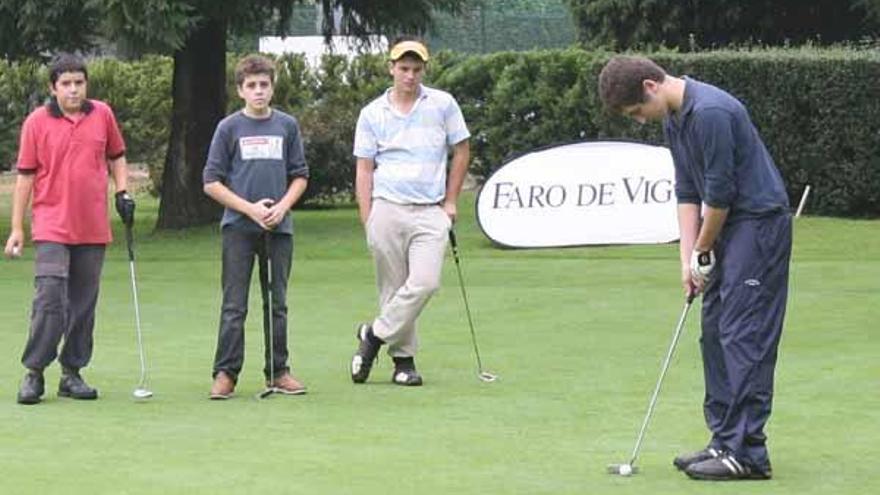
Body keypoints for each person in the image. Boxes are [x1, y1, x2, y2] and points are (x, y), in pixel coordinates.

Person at [598, 55, 792, 480]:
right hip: (727, 227)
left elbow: (719, 197)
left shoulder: (711, 113)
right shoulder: (674, 118)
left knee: (744, 334)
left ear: (651, 85)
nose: (639, 120)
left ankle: (749, 453)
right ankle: (724, 439)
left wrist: (704, 250)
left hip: (757, 225)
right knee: (714, 333)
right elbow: (688, 191)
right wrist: (688, 259)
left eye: (636, 111)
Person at [4, 53, 135, 405]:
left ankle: (72, 373)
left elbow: (117, 155)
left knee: (83, 304)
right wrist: (17, 228)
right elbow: (25, 177)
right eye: (66, 84)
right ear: (53, 87)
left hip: (93, 226)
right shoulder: (37, 122)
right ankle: (34, 371)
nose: (73, 90)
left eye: (79, 83)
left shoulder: (102, 114)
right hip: (51, 224)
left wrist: (122, 190)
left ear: (86, 84)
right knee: (50, 299)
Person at [350, 37, 471, 386]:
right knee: (393, 287)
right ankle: (403, 363)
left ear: (424, 70)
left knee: (425, 282)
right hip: (387, 207)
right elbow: (364, 168)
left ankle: (372, 335)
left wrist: (451, 201)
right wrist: (367, 216)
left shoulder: (443, 104)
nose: (410, 75)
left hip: (430, 209)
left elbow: (461, 151)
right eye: (403, 68)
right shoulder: (373, 113)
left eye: (416, 69)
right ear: (391, 69)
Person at [203, 54, 309, 399]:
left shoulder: (287, 125)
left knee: (276, 302)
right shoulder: (228, 128)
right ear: (240, 90)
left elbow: (300, 176)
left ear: (273, 87)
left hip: (279, 228)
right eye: (252, 86)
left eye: (264, 85)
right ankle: (225, 373)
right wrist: (249, 209)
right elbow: (211, 182)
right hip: (238, 226)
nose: (259, 91)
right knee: (235, 304)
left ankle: (278, 370)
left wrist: (281, 207)